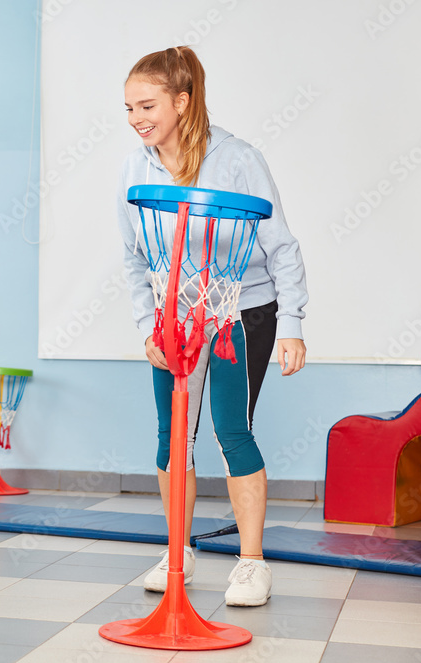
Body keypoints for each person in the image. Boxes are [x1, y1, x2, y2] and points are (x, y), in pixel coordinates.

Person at [117, 46, 308, 607]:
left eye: (147, 105)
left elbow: (282, 248)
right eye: (128, 108)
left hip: (242, 311)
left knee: (230, 431)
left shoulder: (238, 159)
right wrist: (148, 325)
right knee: (172, 436)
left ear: (182, 101)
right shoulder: (135, 166)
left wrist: (292, 324)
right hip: (175, 317)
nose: (136, 119)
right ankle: (177, 550)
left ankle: (252, 565)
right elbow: (133, 256)